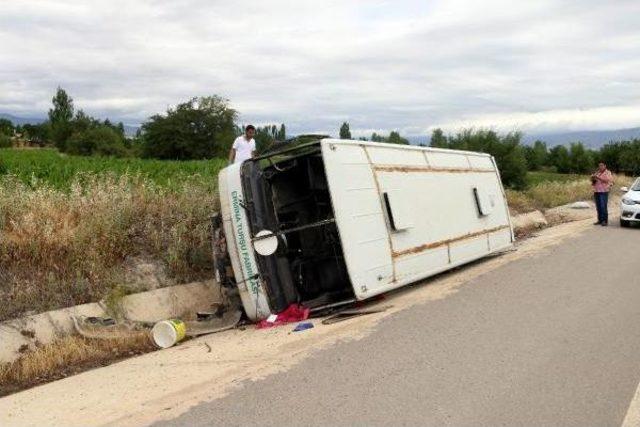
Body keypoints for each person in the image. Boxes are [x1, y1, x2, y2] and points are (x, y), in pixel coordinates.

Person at [591, 161, 613, 226]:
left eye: (601, 165)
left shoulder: (608, 172)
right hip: (596, 191)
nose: (600, 167)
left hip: (604, 191)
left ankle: (604, 221)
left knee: (603, 206)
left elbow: (607, 180)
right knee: (598, 207)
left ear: (605, 166)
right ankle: (600, 220)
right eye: (599, 166)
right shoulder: (597, 172)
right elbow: (593, 181)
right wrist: (592, 178)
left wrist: (598, 177)